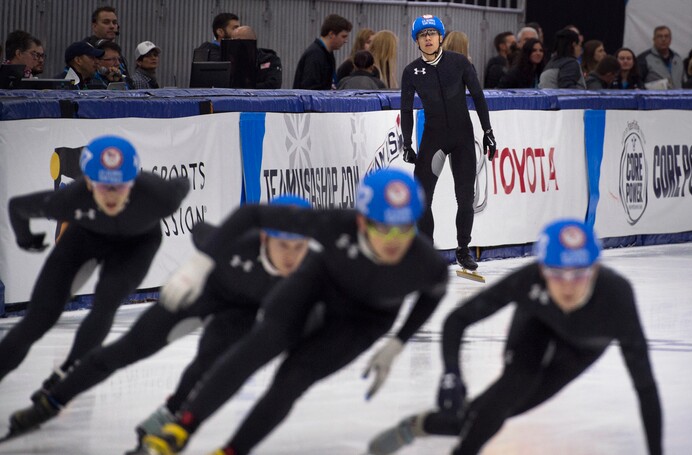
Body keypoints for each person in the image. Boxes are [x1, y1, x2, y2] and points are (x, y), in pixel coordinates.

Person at [140, 168, 449, 455]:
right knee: (256, 348)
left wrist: (398, 342)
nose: (394, 240)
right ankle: (181, 428)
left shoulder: (425, 263)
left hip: (363, 320)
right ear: (361, 221)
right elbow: (252, 214)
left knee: (292, 380)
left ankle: (231, 451)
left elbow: (434, 294)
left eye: (404, 228)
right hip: (317, 287)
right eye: (384, 227)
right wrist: (201, 262)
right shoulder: (333, 224)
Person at [5, 196, 316, 447]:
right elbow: (201, 230)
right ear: (264, 237)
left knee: (207, 366)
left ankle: (166, 416)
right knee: (127, 349)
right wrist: (193, 268)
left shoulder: (311, 271)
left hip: (241, 313)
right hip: (202, 292)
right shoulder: (237, 244)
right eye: (283, 246)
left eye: (298, 247)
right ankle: (53, 400)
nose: (290, 257)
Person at [368, 219, 662, 455]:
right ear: (542, 271)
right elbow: (457, 319)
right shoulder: (529, 279)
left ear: (596, 270)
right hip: (537, 326)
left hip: (582, 348)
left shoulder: (617, 296)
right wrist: (451, 374)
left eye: (579, 275)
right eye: (557, 275)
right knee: (503, 400)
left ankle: (418, 426)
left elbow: (645, 387)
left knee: (483, 415)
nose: (568, 287)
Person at [0, 136, 189, 396]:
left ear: (133, 182)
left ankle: (68, 371)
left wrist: (26, 239)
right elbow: (17, 207)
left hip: (136, 245)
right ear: (87, 182)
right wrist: (25, 239)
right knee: (38, 319)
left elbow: (183, 183)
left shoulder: (159, 196)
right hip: (86, 237)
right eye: (103, 187)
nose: (111, 196)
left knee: (106, 302)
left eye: (120, 187)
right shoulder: (69, 199)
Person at [400, 14, 496, 272]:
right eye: (422, 35)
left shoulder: (459, 63)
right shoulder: (411, 72)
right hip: (434, 138)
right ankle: (426, 253)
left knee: (465, 199)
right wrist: (406, 142)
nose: (428, 38)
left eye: (432, 33)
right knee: (422, 199)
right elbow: (406, 109)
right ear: (416, 41)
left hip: (462, 137)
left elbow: (477, 96)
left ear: (441, 37)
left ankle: (463, 250)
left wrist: (488, 131)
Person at [292, 13, 352, 89]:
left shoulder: (327, 54)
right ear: (331, 34)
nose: (345, 41)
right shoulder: (315, 55)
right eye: (343, 36)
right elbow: (309, 89)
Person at [84, 6, 131, 81]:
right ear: (94, 26)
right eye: (106, 22)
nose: (112, 26)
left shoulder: (117, 52)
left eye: (114, 23)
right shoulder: (85, 52)